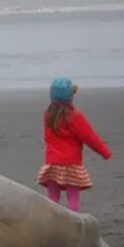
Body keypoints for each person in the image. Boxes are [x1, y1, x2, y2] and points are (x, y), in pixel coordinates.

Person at [35, 77, 112, 212]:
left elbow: (47, 137)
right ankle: (74, 222)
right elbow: (89, 137)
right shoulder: (75, 116)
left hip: (52, 163)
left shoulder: (47, 115)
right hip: (71, 164)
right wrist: (105, 152)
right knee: (73, 198)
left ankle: (53, 221)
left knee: (52, 197)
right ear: (70, 97)